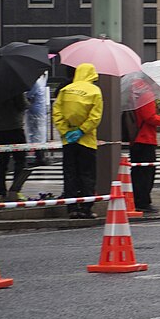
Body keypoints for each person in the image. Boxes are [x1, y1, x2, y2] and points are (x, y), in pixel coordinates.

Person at [52, 63, 103, 219]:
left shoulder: (65, 90)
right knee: (87, 174)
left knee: (70, 173)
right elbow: (95, 117)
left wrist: (65, 131)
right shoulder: (94, 91)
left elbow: (56, 113)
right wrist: (82, 130)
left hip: (68, 141)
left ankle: (72, 208)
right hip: (86, 140)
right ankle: (86, 208)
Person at [130, 97, 160, 213]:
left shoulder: (135, 94)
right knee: (146, 174)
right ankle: (143, 201)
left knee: (138, 173)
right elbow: (150, 117)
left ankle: (138, 199)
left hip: (136, 138)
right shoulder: (146, 94)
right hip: (145, 138)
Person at [0, 93, 29, 202]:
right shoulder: (16, 89)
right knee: (20, 160)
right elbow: (22, 105)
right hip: (15, 128)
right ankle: (15, 191)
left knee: (2, 162)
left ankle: (1, 192)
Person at [25, 72, 49, 167]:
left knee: (36, 135)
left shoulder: (35, 83)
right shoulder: (40, 82)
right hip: (38, 112)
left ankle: (39, 157)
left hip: (35, 112)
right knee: (38, 134)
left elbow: (29, 95)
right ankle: (39, 156)